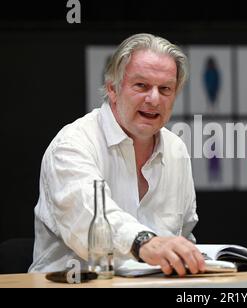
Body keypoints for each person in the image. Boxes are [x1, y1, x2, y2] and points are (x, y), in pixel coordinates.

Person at [29, 33, 205, 276]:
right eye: (141, 85)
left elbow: (183, 236)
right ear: (113, 89)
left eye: (165, 89)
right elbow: (90, 222)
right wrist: (146, 243)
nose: (153, 99)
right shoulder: (73, 144)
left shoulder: (177, 150)